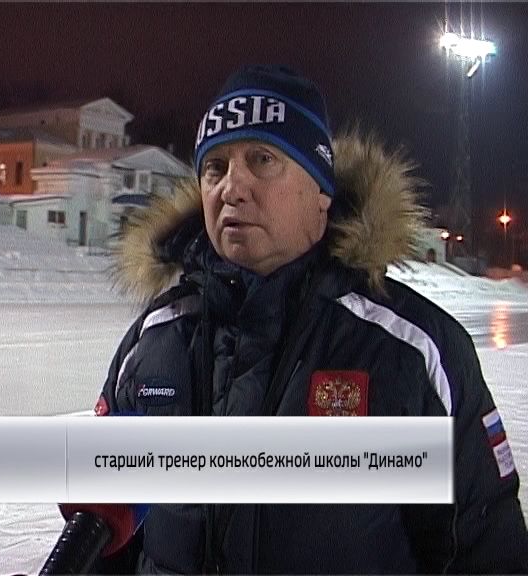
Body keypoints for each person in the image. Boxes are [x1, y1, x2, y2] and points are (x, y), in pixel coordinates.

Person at [94, 65, 528, 573]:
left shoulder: (411, 350)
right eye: (215, 166)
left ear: (321, 191)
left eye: (262, 159)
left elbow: (487, 551)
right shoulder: (152, 342)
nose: (232, 187)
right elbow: (101, 543)